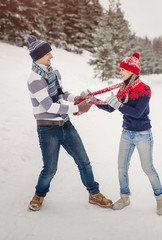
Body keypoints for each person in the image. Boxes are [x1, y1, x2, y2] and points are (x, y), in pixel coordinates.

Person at [26, 36, 112, 211]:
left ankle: (94, 194)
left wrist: (77, 99)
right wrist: (76, 108)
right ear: (38, 57)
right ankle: (39, 195)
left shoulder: (53, 71)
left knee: (84, 161)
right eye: (47, 53)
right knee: (50, 169)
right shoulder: (34, 79)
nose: (51, 56)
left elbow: (62, 93)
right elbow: (48, 106)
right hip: (47, 128)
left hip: (65, 124)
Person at [94, 52, 162, 215]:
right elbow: (110, 108)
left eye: (123, 70)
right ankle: (124, 197)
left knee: (148, 169)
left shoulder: (144, 89)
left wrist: (118, 105)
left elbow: (138, 112)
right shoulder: (123, 88)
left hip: (142, 135)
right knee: (121, 167)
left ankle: (160, 198)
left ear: (132, 71)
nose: (120, 72)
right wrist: (92, 101)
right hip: (126, 133)